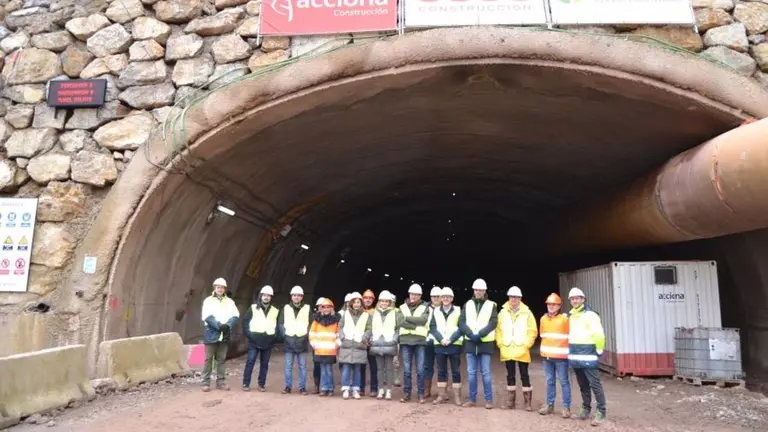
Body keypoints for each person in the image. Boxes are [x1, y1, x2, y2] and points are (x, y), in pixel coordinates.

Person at [567, 287, 607, 426]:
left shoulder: (591, 315)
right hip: (576, 357)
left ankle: (601, 412)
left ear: (583, 299)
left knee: (595, 384)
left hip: (588, 355)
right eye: (572, 299)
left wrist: (599, 350)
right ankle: (585, 409)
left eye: (577, 298)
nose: (575, 301)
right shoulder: (571, 316)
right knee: (583, 385)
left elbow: (599, 335)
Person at [496, 286, 538, 411]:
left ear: (520, 298)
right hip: (508, 348)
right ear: (508, 298)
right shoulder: (502, 312)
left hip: (522, 349)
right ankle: (510, 402)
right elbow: (498, 330)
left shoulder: (527, 313)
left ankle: (527, 403)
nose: (513, 299)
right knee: (510, 375)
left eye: (516, 297)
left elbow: (532, 330)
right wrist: (500, 344)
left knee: (524, 375)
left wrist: (527, 345)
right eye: (511, 297)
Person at [459, 278, 498, 409]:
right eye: (476, 289)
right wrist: (470, 334)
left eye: (480, 290)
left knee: (486, 372)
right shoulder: (467, 304)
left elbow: (493, 322)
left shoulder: (491, 305)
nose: (478, 292)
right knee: (471, 373)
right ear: (473, 290)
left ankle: (489, 400)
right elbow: (461, 322)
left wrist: (480, 334)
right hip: (471, 343)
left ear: (485, 290)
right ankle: (472, 399)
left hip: (484, 343)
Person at [200, 277, 240, 392]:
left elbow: (235, 315)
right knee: (208, 359)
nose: (220, 289)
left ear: (225, 289)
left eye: (222, 287)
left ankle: (221, 382)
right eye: (218, 287)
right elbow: (206, 316)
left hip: (224, 334)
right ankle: (205, 382)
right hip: (211, 333)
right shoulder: (208, 301)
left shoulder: (230, 302)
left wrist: (228, 325)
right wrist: (218, 326)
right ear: (215, 288)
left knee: (221, 359)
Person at [538, 293, 571, 418]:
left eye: (554, 304)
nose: (551, 306)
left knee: (563, 382)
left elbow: (570, 335)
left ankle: (566, 408)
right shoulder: (543, 319)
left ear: (559, 306)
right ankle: (550, 405)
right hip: (547, 357)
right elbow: (542, 335)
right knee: (550, 381)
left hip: (561, 358)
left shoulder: (564, 320)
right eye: (549, 304)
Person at [429, 287, 463, 406]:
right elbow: (432, 327)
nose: (446, 299)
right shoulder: (436, 311)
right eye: (443, 297)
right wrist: (441, 339)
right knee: (441, 371)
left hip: (454, 345)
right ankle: (441, 395)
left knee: (456, 371)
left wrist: (451, 339)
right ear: (441, 298)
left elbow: (461, 327)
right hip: (440, 344)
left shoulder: (458, 310)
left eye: (448, 297)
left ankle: (457, 397)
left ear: (452, 298)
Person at [242, 285, 279, 392]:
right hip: (254, 340)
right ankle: (246, 383)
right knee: (250, 362)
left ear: (271, 297)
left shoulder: (275, 310)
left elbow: (276, 325)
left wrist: (274, 337)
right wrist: (250, 335)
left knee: (264, 364)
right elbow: (245, 322)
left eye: (268, 295)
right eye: (264, 295)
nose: (266, 297)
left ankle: (261, 384)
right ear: (261, 296)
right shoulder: (253, 308)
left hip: (268, 341)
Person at [398, 283, 431, 404]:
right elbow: (399, 322)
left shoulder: (425, 307)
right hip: (406, 340)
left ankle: (420, 394)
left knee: (420, 369)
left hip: (420, 341)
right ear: (409, 294)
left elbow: (423, 320)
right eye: (412, 294)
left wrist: (407, 318)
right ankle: (407, 394)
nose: (413, 296)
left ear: (420, 295)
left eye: (416, 294)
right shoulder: (402, 307)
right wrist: (414, 323)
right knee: (407, 369)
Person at [338, 292, 372, 399]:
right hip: (347, 345)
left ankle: (356, 389)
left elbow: (369, 328)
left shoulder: (366, 315)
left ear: (361, 303)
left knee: (357, 370)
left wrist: (364, 337)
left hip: (359, 345)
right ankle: (346, 389)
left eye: (358, 302)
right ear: (351, 303)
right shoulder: (345, 314)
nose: (356, 304)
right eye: (355, 302)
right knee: (346, 369)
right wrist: (342, 336)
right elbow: (340, 326)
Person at [278, 285, 311, 395]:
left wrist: (306, 336)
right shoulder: (286, 308)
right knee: (288, 366)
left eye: (298, 295)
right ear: (291, 297)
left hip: (302, 341)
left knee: (302, 367)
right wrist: (285, 335)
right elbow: (281, 323)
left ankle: (302, 388)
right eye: (294, 295)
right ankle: (288, 387)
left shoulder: (307, 308)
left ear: (302, 297)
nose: (296, 297)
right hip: (289, 341)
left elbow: (311, 324)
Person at [369, 290, 400, 400]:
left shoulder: (395, 312)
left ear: (390, 302)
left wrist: (394, 340)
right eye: (383, 301)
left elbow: (398, 328)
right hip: (377, 343)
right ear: (379, 301)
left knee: (389, 368)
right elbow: (370, 328)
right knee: (380, 369)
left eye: (387, 301)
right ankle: (380, 390)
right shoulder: (373, 313)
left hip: (389, 343)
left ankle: (389, 391)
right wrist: (371, 339)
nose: (385, 303)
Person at [309, 297, 341, 396]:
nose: (326, 309)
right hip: (320, 349)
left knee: (329, 370)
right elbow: (312, 333)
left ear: (332, 308)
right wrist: (314, 344)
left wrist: (337, 344)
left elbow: (339, 334)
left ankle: (330, 388)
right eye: (324, 307)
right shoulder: (316, 320)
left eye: (328, 307)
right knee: (323, 370)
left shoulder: (336, 321)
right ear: (321, 308)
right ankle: (324, 388)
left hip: (330, 349)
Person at [423, 286, 442, 400]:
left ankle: (441, 392)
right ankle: (427, 390)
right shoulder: (425, 308)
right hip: (428, 341)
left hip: (440, 341)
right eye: (433, 296)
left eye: (437, 296)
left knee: (441, 367)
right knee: (427, 366)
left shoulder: (445, 308)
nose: (435, 298)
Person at [360, 289, 378, 397]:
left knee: (374, 367)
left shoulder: (376, 312)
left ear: (373, 300)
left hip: (372, 343)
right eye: (366, 298)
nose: (367, 300)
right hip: (362, 343)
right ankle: (361, 388)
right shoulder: (359, 312)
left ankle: (374, 389)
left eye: (370, 298)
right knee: (361, 367)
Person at [311, 297, 326, 394]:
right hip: (316, 345)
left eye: (324, 306)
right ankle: (317, 385)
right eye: (320, 306)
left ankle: (325, 386)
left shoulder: (330, 317)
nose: (322, 308)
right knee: (317, 366)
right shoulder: (313, 317)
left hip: (327, 345)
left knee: (326, 366)